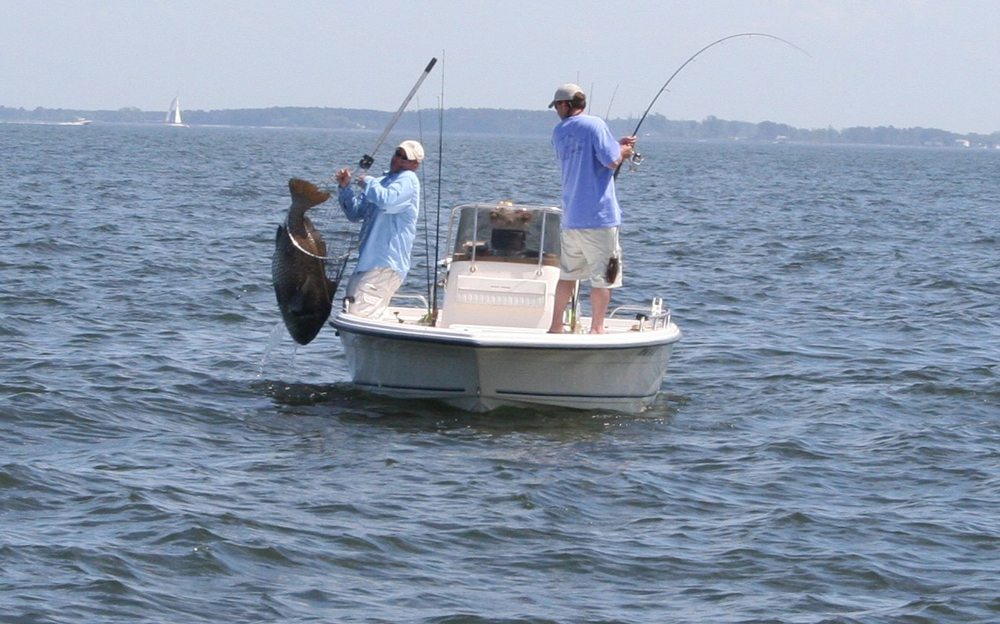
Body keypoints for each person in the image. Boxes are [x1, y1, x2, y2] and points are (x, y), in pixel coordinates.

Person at [546, 83, 636, 334]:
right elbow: (611, 161)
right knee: (604, 277)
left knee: (567, 275)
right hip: (599, 217)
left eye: (557, 106)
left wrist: (615, 145)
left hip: (571, 218)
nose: (556, 111)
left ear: (565, 105)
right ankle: (597, 328)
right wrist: (624, 151)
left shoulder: (559, 132)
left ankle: (555, 326)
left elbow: (589, 155)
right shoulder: (595, 124)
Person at [334, 140, 423, 318]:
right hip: (368, 263)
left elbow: (387, 200)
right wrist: (345, 187)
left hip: (385, 264)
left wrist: (369, 182)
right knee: (352, 308)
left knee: (361, 314)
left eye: (405, 158)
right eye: (398, 154)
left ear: (415, 165)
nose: (398, 160)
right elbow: (355, 213)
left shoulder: (408, 179)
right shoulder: (384, 181)